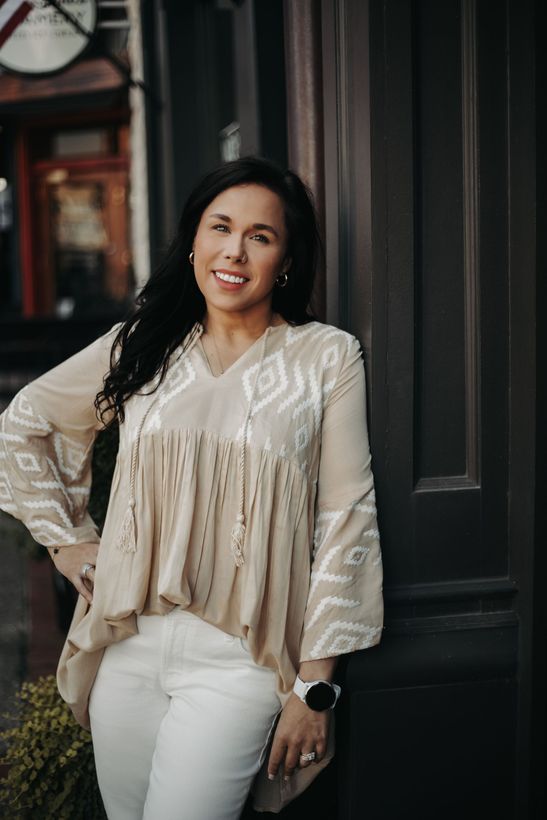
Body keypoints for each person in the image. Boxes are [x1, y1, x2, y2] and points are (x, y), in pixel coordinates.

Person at [0, 156, 383, 819]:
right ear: (194, 240)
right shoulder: (145, 345)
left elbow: (344, 519)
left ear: (284, 259)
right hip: (128, 646)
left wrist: (315, 690)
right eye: (220, 227)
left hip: (237, 664)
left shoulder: (325, 358)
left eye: (260, 236)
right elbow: (24, 424)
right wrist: (67, 543)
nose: (234, 250)